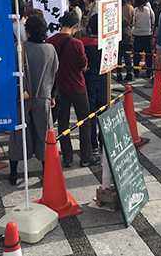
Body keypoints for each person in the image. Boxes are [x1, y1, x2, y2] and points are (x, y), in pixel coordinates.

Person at [8, 15, 58, 185]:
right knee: (44, 133)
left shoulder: (19, 48)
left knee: (18, 133)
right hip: (43, 95)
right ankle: (46, 171)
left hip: (22, 96)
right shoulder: (50, 49)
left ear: (27, 31)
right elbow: (55, 73)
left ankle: (14, 173)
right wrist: (52, 95)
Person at [47, 12, 100, 167]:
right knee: (84, 120)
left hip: (59, 88)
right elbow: (83, 65)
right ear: (75, 26)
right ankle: (86, 156)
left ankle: (67, 157)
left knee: (63, 123)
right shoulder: (77, 43)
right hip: (77, 86)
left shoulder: (50, 41)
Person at [81, 15, 106, 155]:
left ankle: (93, 144)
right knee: (103, 111)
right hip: (103, 79)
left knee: (90, 112)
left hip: (88, 79)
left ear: (90, 28)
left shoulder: (83, 42)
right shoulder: (106, 42)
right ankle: (104, 141)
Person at [133, 0, 155, 79]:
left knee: (136, 53)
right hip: (147, 33)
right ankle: (149, 71)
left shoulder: (135, 11)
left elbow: (133, 22)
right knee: (148, 53)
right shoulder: (148, 10)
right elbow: (153, 20)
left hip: (137, 33)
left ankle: (136, 70)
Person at [116, 0, 134, 82]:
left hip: (118, 30)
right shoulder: (130, 7)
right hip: (127, 30)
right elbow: (132, 20)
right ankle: (129, 73)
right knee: (127, 54)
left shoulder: (116, 7)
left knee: (118, 55)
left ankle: (119, 74)